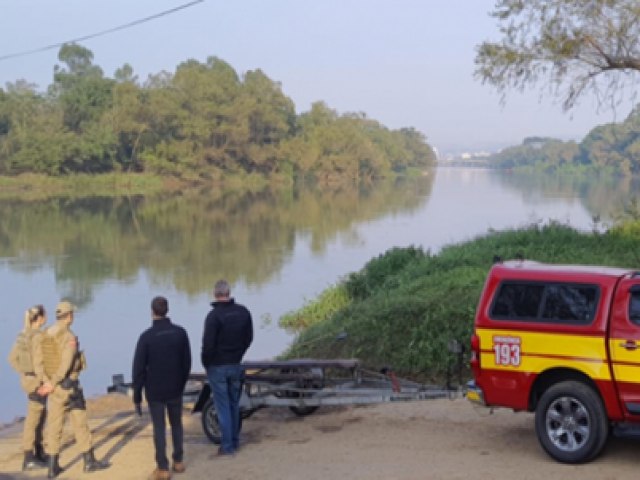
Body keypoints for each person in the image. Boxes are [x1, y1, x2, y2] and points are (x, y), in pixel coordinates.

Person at [36, 300, 110, 478]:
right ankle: (89, 462)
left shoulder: (46, 333)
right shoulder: (69, 336)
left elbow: (38, 362)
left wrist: (46, 382)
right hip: (68, 387)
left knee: (54, 427)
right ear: (69, 316)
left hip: (53, 390)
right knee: (80, 424)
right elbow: (66, 363)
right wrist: (54, 382)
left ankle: (53, 467)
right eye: (72, 314)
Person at [132, 296, 191, 480]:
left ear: (152, 312)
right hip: (175, 387)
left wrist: (137, 395)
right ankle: (178, 460)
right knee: (176, 424)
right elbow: (187, 362)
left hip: (155, 390)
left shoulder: (146, 337)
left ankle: (163, 467)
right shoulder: (180, 333)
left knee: (159, 428)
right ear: (167, 310)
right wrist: (181, 382)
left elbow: (138, 369)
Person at [201, 280, 253, 455]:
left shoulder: (213, 316)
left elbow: (207, 345)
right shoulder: (243, 312)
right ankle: (235, 441)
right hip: (235, 363)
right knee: (233, 404)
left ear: (216, 294)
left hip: (218, 366)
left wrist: (206, 364)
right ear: (228, 293)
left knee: (222, 406)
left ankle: (228, 445)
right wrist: (239, 353)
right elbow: (249, 337)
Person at [7, 305, 49, 471]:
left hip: (28, 380)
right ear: (39, 318)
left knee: (39, 415)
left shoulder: (22, 335)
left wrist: (25, 373)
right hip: (37, 382)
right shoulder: (38, 336)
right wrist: (42, 379)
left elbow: (12, 359)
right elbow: (40, 362)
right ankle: (29, 457)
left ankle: (38, 452)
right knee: (34, 419)